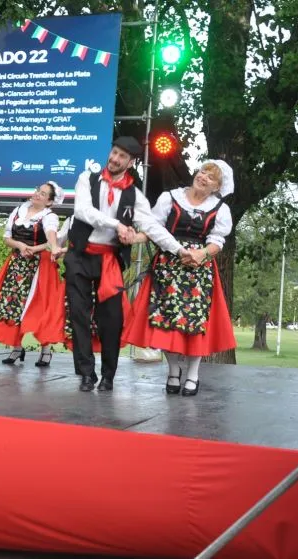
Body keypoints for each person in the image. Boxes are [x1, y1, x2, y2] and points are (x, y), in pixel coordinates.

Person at [65, 136, 191, 392]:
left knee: (111, 320)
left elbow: (153, 228)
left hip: (109, 260)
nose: (114, 159)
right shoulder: (86, 179)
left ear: (131, 162)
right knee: (78, 314)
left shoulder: (135, 195)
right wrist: (118, 225)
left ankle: (108, 375)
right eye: (113, 153)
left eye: (122, 156)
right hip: (79, 255)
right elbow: (83, 212)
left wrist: (179, 250)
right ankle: (86, 374)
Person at [123, 160, 237, 396]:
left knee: (195, 323)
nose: (203, 176)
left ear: (217, 187)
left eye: (211, 177)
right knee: (166, 321)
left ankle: (193, 374)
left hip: (198, 270)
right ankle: (173, 370)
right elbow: (153, 228)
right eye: (203, 171)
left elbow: (217, 242)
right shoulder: (170, 197)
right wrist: (135, 238)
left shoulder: (220, 209)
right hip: (167, 266)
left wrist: (201, 253)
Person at [0, 182, 67, 366]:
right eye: (38, 190)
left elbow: (51, 238)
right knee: (13, 304)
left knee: (42, 306)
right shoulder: (18, 210)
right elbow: (7, 238)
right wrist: (21, 246)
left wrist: (33, 248)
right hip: (18, 264)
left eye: (43, 194)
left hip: (40, 266)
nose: (37, 194)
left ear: (49, 202)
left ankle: (45, 351)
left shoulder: (49, 217)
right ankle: (16, 347)